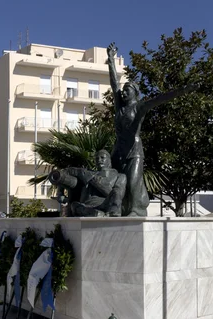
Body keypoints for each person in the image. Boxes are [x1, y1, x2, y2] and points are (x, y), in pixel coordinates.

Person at [107, 43, 197, 216]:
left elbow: (161, 98)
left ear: (135, 93)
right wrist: (110, 59)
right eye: (123, 91)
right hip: (118, 150)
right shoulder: (119, 106)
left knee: (133, 182)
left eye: (127, 90)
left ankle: (136, 210)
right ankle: (115, 208)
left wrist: (184, 90)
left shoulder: (139, 107)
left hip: (134, 151)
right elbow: (113, 83)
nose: (123, 93)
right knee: (113, 180)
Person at [49, 150, 126, 217]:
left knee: (116, 192)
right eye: (97, 158)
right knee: (74, 205)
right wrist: (60, 193)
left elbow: (117, 196)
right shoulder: (87, 173)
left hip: (106, 205)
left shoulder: (120, 176)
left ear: (109, 160)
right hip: (86, 206)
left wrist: (93, 179)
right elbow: (64, 174)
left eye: (102, 158)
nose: (99, 160)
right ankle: (95, 213)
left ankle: (106, 214)